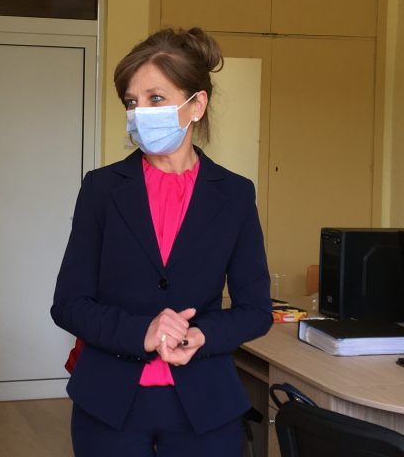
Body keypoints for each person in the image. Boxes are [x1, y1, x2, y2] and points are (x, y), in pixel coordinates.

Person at [51, 28, 272, 456]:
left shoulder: (235, 194)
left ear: (197, 105)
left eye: (155, 98)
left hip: (205, 404)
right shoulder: (101, 189)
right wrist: (143, 331)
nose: (140, 113)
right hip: (109, 401)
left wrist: (202, 335)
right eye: (131, 102)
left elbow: (256, 311)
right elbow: (69, 304)